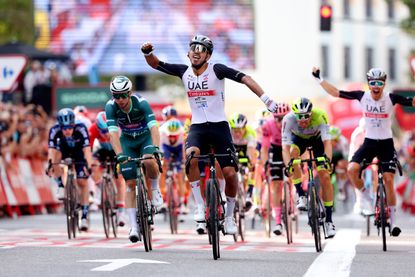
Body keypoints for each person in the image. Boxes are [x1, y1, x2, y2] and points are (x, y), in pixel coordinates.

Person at [141, 35, 278, 235]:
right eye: (193, 48)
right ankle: (199, 204)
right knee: (191, 157)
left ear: (208, 54)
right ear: (188, 53)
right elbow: (156, 64)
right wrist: (147, 52)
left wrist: (266, 99)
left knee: (231, 174)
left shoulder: (217, 69)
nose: (196, 51)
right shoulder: (183, 71)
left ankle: (230, 216)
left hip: (219, 127)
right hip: (198, 127)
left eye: (201, 49)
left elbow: (245, 78)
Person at [312, 66, 415, 237]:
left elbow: (412, 102)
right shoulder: (362, 96)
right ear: (369, 83)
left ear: (384, 84)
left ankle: (393, 222)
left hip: (386, 144)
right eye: (373, 82)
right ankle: (366, 196)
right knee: (352, 170)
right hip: (368, 143)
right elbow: (336, 93)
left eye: (379, 83)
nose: (376, 86)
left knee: (389, 179)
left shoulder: (391, 97)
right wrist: (319, 79)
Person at [105, 75, 163, 243]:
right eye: (116, 96)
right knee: (130, 183)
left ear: (130, 93)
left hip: (145, 138)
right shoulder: (110, 107)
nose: (120, 99)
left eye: (123, 95)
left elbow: (154, 128)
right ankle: (134, 227)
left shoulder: (141, 103)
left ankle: (154, 187)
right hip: (128, 141)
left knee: (148, 160)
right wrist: (119, 155)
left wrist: (156, 148)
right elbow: (113, 134)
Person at [282, 97, 336, 238]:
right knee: (293, 156)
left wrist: (327, 161)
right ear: (295, 115)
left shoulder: (320, 116)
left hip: (317, 140)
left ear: (311, 113)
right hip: (298, 140)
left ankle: (329, 221)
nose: (304, 120)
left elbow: (327, 143)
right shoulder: (288, 119)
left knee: (324, 175)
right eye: (300, 117)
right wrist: (288, 165)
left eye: (306, 116)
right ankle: (301, 195)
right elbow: (285, 148)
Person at [46, 108, 93, 231]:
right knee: (55, 156)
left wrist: (89, 165)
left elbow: (87, 149)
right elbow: (51, 151)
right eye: (64, 128)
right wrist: (50, 165)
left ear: (74, 124)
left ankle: (84, 215)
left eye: (70, 128)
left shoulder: (81, 128)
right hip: (63, 151)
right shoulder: (54, 130)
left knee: (82, 182)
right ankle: (61, 185)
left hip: (78, 153)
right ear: (60, 126)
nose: (67, 131)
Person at [89, 111, 127, 226]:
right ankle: (99, 187)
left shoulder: (119, 128)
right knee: (93, 164)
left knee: (120, 178)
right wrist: (90, 163)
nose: (106, 134)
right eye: (103, 131)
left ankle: (121, 211)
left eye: (108, 131)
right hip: (101, 149)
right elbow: (88, 149)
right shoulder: (93, 129)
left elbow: (124, 146)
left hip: (116, 149)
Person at [260, 102, 290, 236]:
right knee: (276, 185)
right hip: (276, 149)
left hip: (289, 147)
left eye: (284, 118)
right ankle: (278, 221)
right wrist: (265, 163)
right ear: (274, 118)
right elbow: (265, 148)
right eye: (278, 118)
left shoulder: (293, 122)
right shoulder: (268, 125)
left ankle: (295, 197)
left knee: (295, 171)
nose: (281, 121)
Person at [228, 113, 257, 210]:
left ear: (245, 128)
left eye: (240, 130)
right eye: (235, 131)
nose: (237, 133)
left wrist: (250, 161)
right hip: (234, 149)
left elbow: (251, 151)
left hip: (246, 149)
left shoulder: (250, 134)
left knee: (252, 166)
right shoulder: (228, 133)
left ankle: (249, 194)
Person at [159, 118, 187, 215]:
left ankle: (182, 203)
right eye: (170, 136)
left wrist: (183, 162)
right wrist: (162, 162)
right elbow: (159, 150)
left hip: (179, 148)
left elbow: (184, 152)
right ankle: (163, 197)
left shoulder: (183, 133)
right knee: (163, 169)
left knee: (180, 174)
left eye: (174, 136)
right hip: (166, 147)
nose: (172, 138)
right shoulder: (162, 132)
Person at [329, 125, 350, 201]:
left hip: (340, 157)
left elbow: (346, 158)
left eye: (334, 140)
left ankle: (341, 188)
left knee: (341, 167)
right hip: (331, 157)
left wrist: (343, 167)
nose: (333, 142)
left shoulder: (343, 141)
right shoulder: (326, 142)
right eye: (331, 139)